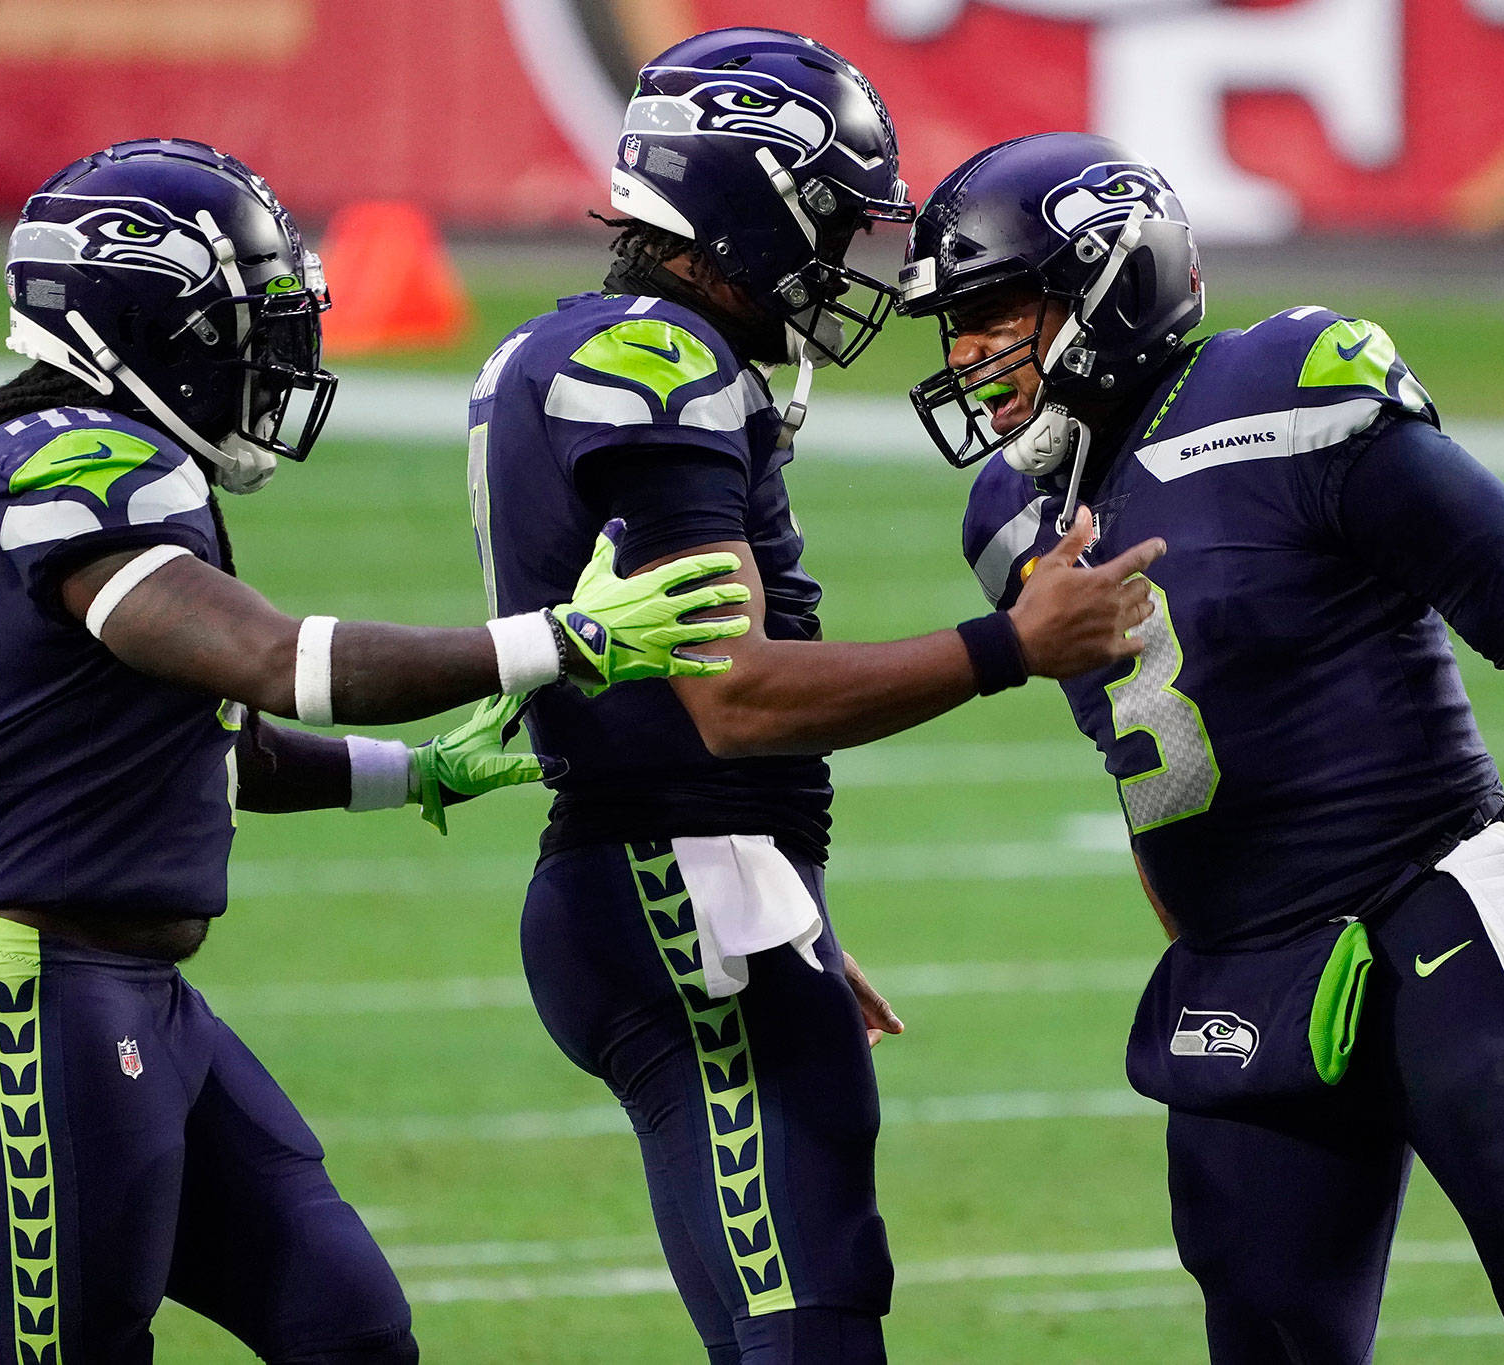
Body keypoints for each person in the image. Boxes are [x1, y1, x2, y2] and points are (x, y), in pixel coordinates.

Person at [898, 131, 1504, 1364]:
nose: (969, 358)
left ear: (1106, 284)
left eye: (992, 315)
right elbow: (1142, 772)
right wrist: (1206, 947)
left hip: (1434, 913)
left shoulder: (1286, 389)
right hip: (1246, 967)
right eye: (953, 327)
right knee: (1268, 1334)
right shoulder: (1010, 516)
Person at [0, 137, 749, 1365]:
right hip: (25, 993)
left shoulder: (109, 466)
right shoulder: (72, 465)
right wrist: (560, 640)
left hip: (134, 995)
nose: (277, 351)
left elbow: (221, 747)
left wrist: (413, 774)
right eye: (247, 322)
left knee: (347, 1327)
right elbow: (277, 664)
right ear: (149, 323)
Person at [469, 31, 1161, 1364]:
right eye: (833, 213)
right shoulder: (653, 365)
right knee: (813, 1318)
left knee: (789, 1313)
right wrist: (1010, 645)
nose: (850, 253)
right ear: (743, 197)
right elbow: (732, 701)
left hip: (685, 879)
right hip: (675, 880)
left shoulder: (584, 346)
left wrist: (778, 888)